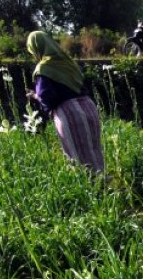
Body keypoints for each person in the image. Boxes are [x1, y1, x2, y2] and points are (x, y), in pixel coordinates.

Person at [26, 31, 104, 173]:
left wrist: (35, 96)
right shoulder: (67, 62)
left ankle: (92, 193)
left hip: (71, 113)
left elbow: (47, 98)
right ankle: (105, 188)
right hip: (89, 107)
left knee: (79, 160)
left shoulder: (44, 68)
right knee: (94, 152)